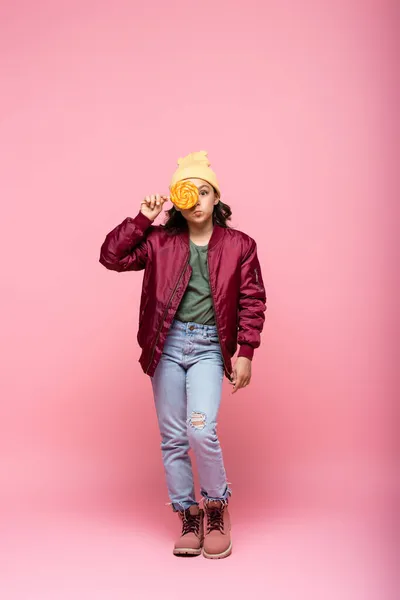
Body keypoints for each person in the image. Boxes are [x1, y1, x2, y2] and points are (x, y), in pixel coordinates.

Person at [99, 151, 267, 559]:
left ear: (216, 199)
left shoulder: (240, 245)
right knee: (173, 439)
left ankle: (215, 505)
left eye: (204, 192)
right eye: (189, 192)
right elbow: (111, 257)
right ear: (178, 198)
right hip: (167, 347)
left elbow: (252, 299)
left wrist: (245, 351)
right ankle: (187, 514)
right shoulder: (160, 242)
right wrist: (142, 218)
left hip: (210, 347)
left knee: (200, 429)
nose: (197, 200)